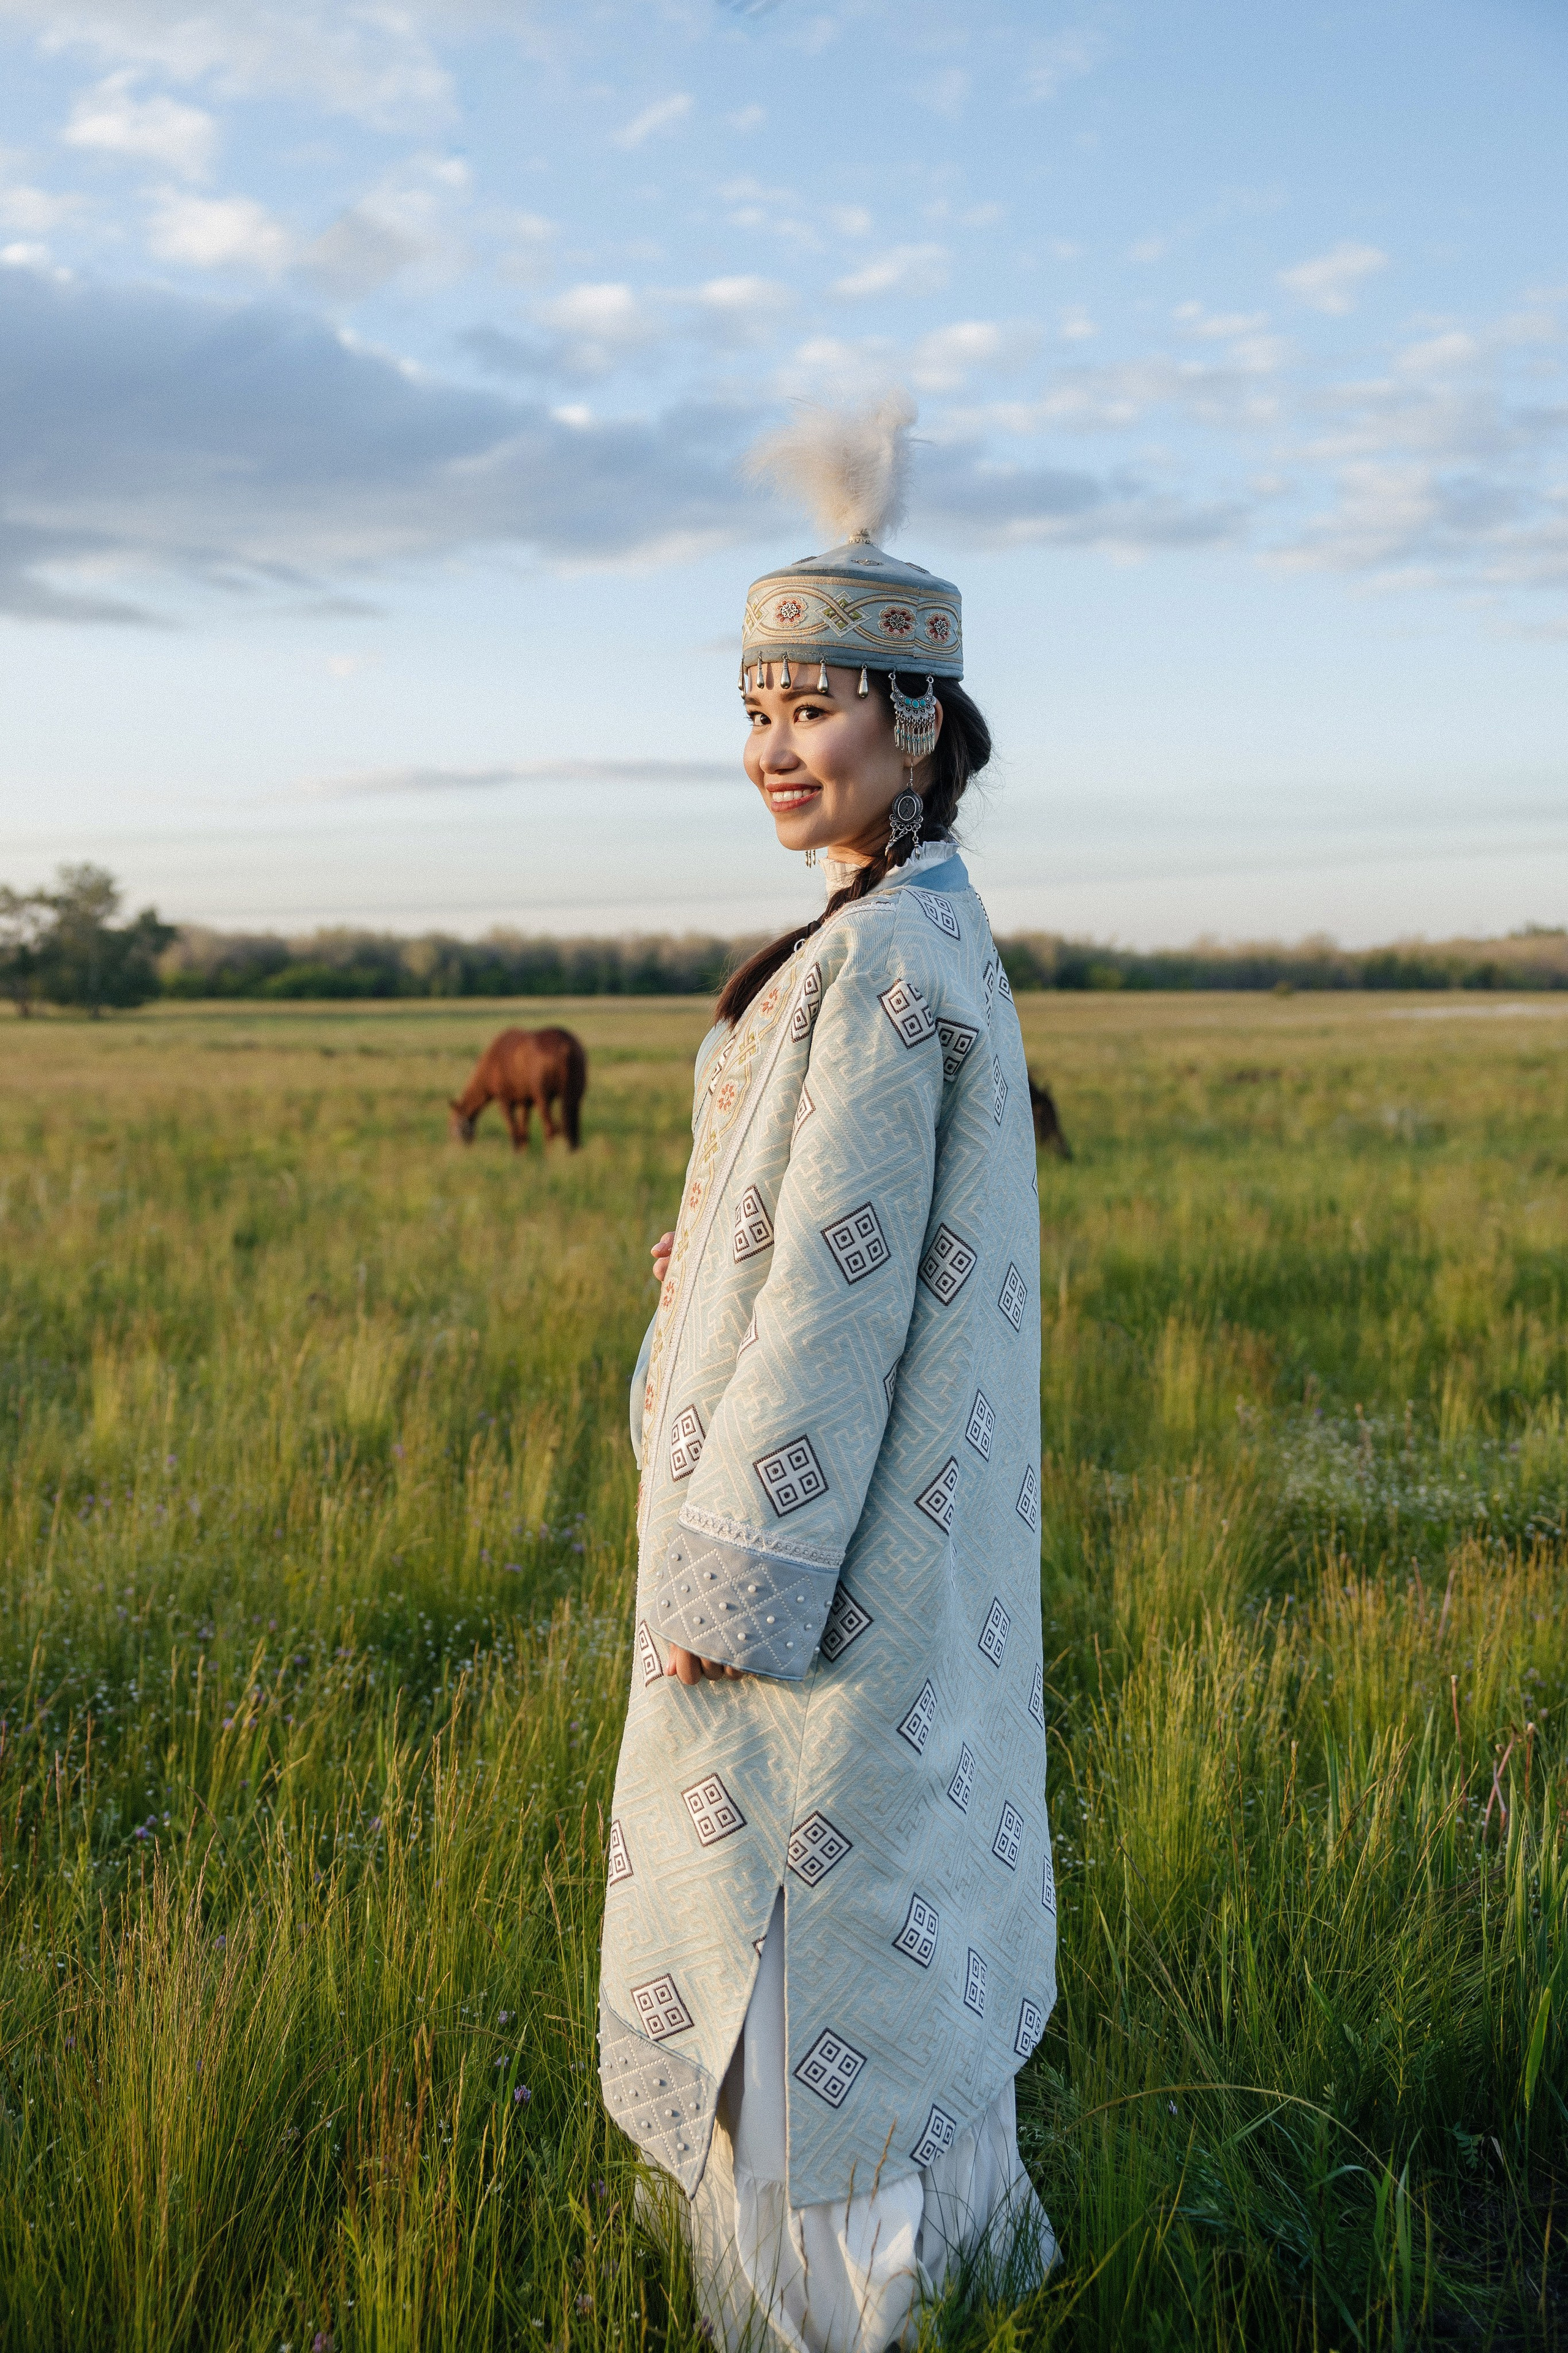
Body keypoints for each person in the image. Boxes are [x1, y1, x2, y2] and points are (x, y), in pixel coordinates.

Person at [598, 395, 1058, 2353]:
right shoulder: (919, 929)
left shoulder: (875, 960)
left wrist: (730, 1586)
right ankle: (936, 2286)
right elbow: (813, 1245)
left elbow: (826, 1324)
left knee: (798, 1921)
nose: (778, 748)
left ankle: (838, 2319)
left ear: (918, 725)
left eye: (818, 707)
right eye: (759, 708)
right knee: (886, 1902)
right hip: (900, 1555)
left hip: (819, 1580)